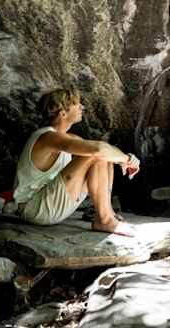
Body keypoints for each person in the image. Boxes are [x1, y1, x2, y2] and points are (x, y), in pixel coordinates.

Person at [13, 87, 140, 236]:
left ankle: (107, 213)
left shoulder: (69, 138)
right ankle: (104, 220)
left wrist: (129, 158)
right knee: (96, 154)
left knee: (103, 154)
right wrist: (125, 159)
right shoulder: (47, 137)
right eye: (76, 104)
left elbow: (105, 148)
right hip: (35, 208)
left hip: (49, 206)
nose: (82, 107)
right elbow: (97, 150)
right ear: (63, 113)